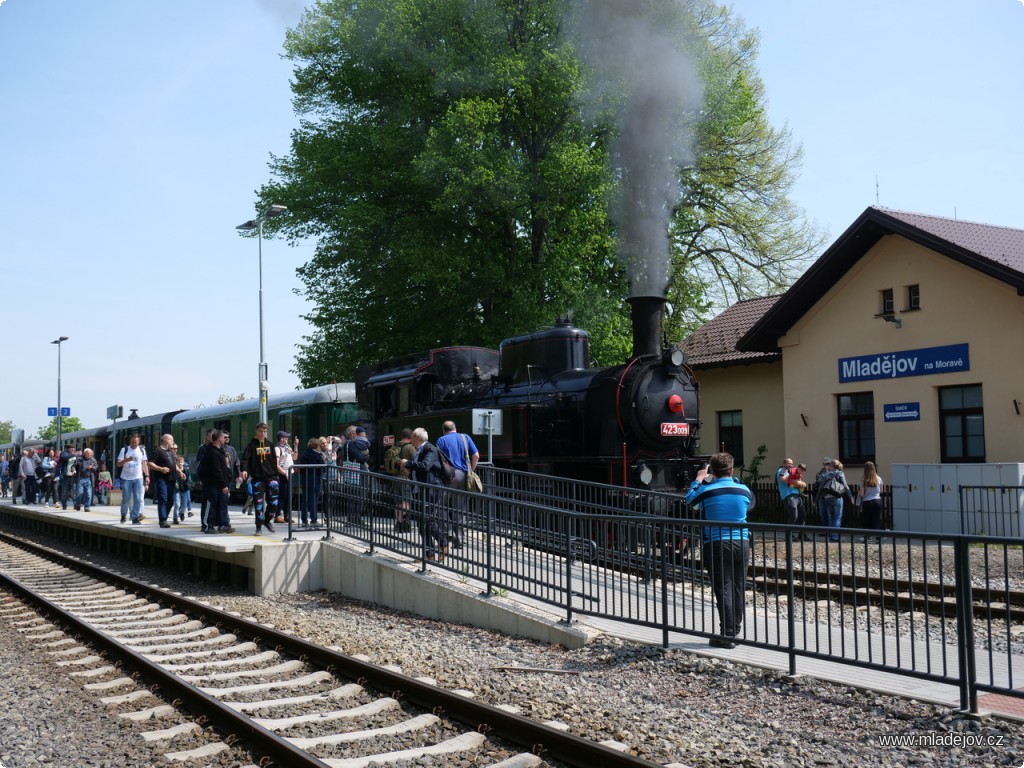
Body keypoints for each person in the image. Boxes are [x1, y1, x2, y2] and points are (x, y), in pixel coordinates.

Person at [685, 452, 753, 649]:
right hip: (742, 542)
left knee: (723, 588)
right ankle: (735, 630)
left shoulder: (707, 490)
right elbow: (749, 504)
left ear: (711, 471)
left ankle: (728, 634)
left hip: (717, 543)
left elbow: (690, 501)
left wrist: (698, 480)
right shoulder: (743, 490)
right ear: (732, 470)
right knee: (739, 586)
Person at [398, 427, 449, 561]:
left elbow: (425, 466)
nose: (411, 441)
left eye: (412, 438)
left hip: (431, 490)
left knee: (428, 520)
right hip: (421, 490)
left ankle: (443, 543)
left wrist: (408, 463)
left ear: (416, 438)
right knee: (421, 523)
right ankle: (429, 554)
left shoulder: (429, 449)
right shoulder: (420, 449)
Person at [435, 420, 479, 548]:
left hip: (449, 477)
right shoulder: (465, 437)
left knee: (440, 506)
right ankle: (460, 539)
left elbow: (440, 460)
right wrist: (471, 470)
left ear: (444, 430)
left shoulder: (441, 440)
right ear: (455, 428)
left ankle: (448, 533)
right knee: (460, 509)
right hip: (464, 476)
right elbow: (475, 455)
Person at [240, 422, 279, 534]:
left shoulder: (270, 444)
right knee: (259, 504)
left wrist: (276, 476)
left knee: (274, 503)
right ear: (256, 431)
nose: (262, 434)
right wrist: (244, 470)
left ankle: (267, 521)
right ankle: (258, 527)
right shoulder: (251, 445)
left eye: (264, 431)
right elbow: (245, 459)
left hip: (271, 477)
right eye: (260, 431)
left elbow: (274, 461)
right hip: (258, 479)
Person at [198, 429, 235, 534]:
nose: (225, 439)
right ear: (219, 439)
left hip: (221, 484)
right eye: (224, 437)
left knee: (222, 505)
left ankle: (223, 525)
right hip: (213, 485)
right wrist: (224, 484)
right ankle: (208, 526)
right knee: (211, 505)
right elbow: (217, 470)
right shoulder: (212, 452)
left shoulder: (220, 451)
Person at [117, 433, 149, 524]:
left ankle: (135, 517)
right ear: (130, 441)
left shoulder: (142, 450)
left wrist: (147, 476)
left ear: (139, 441)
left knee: (138, 498)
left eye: (136, 442)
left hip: (138, 477)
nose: (134, 444)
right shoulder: (124, 450)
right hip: (126, 478)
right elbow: (118, 464)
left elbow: (144, 464)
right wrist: (127, 460)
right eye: (132, 442)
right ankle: (123, 515)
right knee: (126, 498)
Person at [814, 457, 849, 542]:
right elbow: (818, 484)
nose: (827, 465)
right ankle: (831, 534)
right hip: (825, 496)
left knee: (832, 516)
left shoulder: (833, 473)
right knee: (831, 516)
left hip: (830, 496)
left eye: (828, 464)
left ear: (831, 465)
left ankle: (832, 534)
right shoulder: (821, 473)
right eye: (826, 464)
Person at [147, 434, 177, 528]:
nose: (173, 441)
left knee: (171, 501)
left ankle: (164, 517)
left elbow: (173, 464)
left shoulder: (170, 451)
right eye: (171, 439)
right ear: (166, 440)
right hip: (161, 479)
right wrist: (161, 469)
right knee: (163, 498)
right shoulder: (158, 450)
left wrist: (180, 471)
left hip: (171, 479)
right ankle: (162, 520)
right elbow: (150, 463)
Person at [775, 457, 806, 540]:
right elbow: (783, 479)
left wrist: (800, 484)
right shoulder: (783, 470)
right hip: (788, 496)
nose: (790, 465)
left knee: (802, 516)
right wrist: (798, 482)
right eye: (788, 463)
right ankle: (789, 536)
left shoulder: (793, 472)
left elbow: (793, 483)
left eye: (791, 464)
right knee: (793, 516)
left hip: (797, 496)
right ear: (784, 464)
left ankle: (802, 535)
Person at [298, 437, 325, 528]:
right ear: (317, 446)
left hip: (305, 478)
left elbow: (301, 466)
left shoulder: (305, 454)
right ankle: (313, 519)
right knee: (314, 499)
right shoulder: (318, 456)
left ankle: (304, 520)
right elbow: (323, 468)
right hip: (315, 479)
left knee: (304, 499)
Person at [274, 430, 298, 523]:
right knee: (282, 495)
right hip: (282, 474)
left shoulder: (287, 447)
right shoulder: (277, 449)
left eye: (287, 437)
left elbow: (295, 457)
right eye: (285, 437)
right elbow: (276, 464)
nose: (287, 439)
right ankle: (277, 515)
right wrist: (284, 473)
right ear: (281, 439)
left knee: (289, 495)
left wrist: (296, 445)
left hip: (290, 473)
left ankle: (286, 515)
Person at [857, 461, 885, 535]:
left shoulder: (863, 480)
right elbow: (882, 491)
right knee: (876, 519)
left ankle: (867, 537)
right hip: (877, 500)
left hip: (867, 502)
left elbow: (862, 494)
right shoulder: (879, 479)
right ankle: (878, 537)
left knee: (867, 520)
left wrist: (860, 492)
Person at [57, 442, 77, 510]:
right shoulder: (63, 453)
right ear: (68, 449)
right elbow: (65, 458)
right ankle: (64, 504)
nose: (73, 449)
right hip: (65, 474)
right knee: (64, 490)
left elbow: (74, 464)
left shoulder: (73, 455)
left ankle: (75, 504)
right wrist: (73, 455)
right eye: (72, 448)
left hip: (72, 474)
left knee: (73, 490)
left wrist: (74, 470)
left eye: (73, 448)